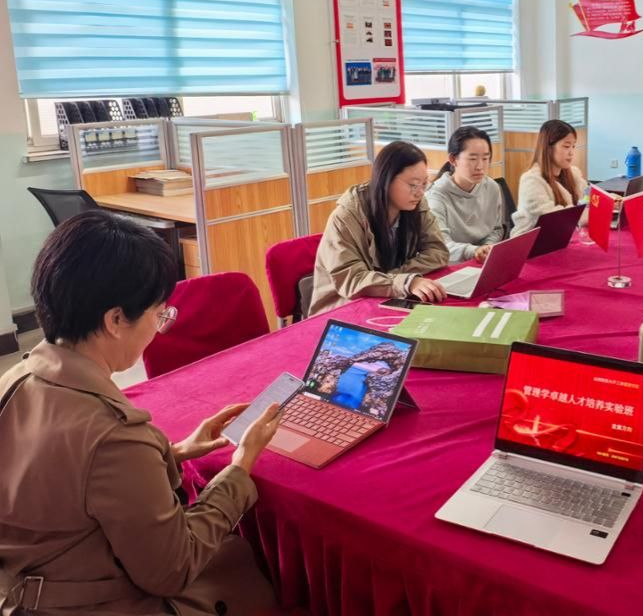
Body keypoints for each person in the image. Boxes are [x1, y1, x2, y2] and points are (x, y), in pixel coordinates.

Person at [0, 211, 281, 616]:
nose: (158, 328)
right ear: (116, 320)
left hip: (21, 592)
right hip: (96, 603)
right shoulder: (114, 433)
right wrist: (239, 469)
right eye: (158, 314)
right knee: (252, 572)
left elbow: (64, 481)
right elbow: (172, 570)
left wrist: (173, 452)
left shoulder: (17, 380)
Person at [309, 140, 449, 315]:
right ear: (386, 179)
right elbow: (351, 279)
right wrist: (403, 282)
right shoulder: (346, 216)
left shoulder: (416, 205)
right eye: (413, 185)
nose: (420, 192)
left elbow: (438, 251)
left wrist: (400, 279)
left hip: (387, 297)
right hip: (342, 307)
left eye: (424, 184)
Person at [425, 126, 507, 264]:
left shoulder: (492, 187)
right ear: (453, 159)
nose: (480, 166)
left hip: (482, 261)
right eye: (472, 159)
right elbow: (441, 245)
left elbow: (496, 229)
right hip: (450, 264)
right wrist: (474, 251)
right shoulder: (435, 196)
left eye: (485, 158)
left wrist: (486, 249)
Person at [511, 119, 589, 236]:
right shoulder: (531, 180)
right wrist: (584, 213)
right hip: (532, 243)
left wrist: (607, 201)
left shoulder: (573, 173)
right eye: (566, 146)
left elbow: (587, 198)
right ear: (548, 147)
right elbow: (551, 219)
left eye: (573, 146)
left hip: (561, 237)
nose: (571, 152)